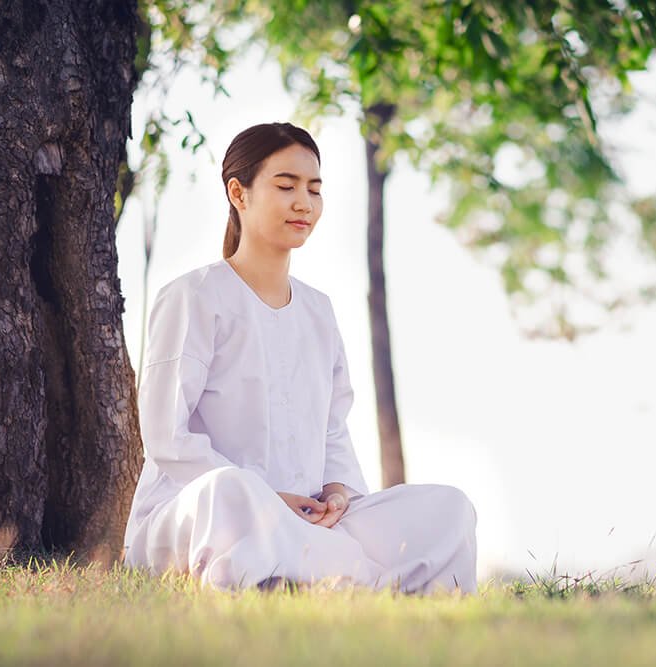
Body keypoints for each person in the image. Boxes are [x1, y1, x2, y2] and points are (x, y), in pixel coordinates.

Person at [122, 122, 478, 594]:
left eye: (314, 189)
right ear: (239, 193)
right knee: (233, 491)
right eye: (286, 186)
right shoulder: (193, 296)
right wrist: (269, 499)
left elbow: (334, 430)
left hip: (310, 520)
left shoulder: (318, 311)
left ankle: (317, 574)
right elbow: (166, 436)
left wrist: (336, 493)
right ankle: (348, 579)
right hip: (208, 513)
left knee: (448, 509)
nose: (303, 203)